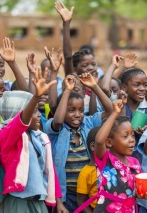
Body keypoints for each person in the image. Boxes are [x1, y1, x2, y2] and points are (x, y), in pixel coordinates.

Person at [0, 66, 63, 213]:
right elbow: (20, 123)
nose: (39, 115)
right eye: (33, 112)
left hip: (37, 200)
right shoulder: (6, 135)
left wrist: (58, 201)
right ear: (17, 114)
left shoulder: (38, 137)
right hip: (17, 202)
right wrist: (35, 98)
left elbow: (48, 170)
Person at [45, 72, 113, 212]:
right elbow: (58, 120)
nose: (77, 114)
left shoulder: (88, 123)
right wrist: (68, 90)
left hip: (89, 192)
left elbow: (110, 110)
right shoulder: (54, 129)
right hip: (65, 195)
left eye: (81, 110)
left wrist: (94, 86)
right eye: (71, 110)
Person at [91, 100, 147, 212]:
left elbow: (134, 190)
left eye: (132, 135)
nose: (131, 140)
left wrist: (140, 193)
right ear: (109, 142)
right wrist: (115, 113)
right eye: (125, 136)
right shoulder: (105, 159)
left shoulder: (134, 162)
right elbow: (98, 141)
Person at [76, 126, 100, 212]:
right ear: (93, 146)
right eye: (105, 145)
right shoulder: (86, 173)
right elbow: (80, 201)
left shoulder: (115, 166)